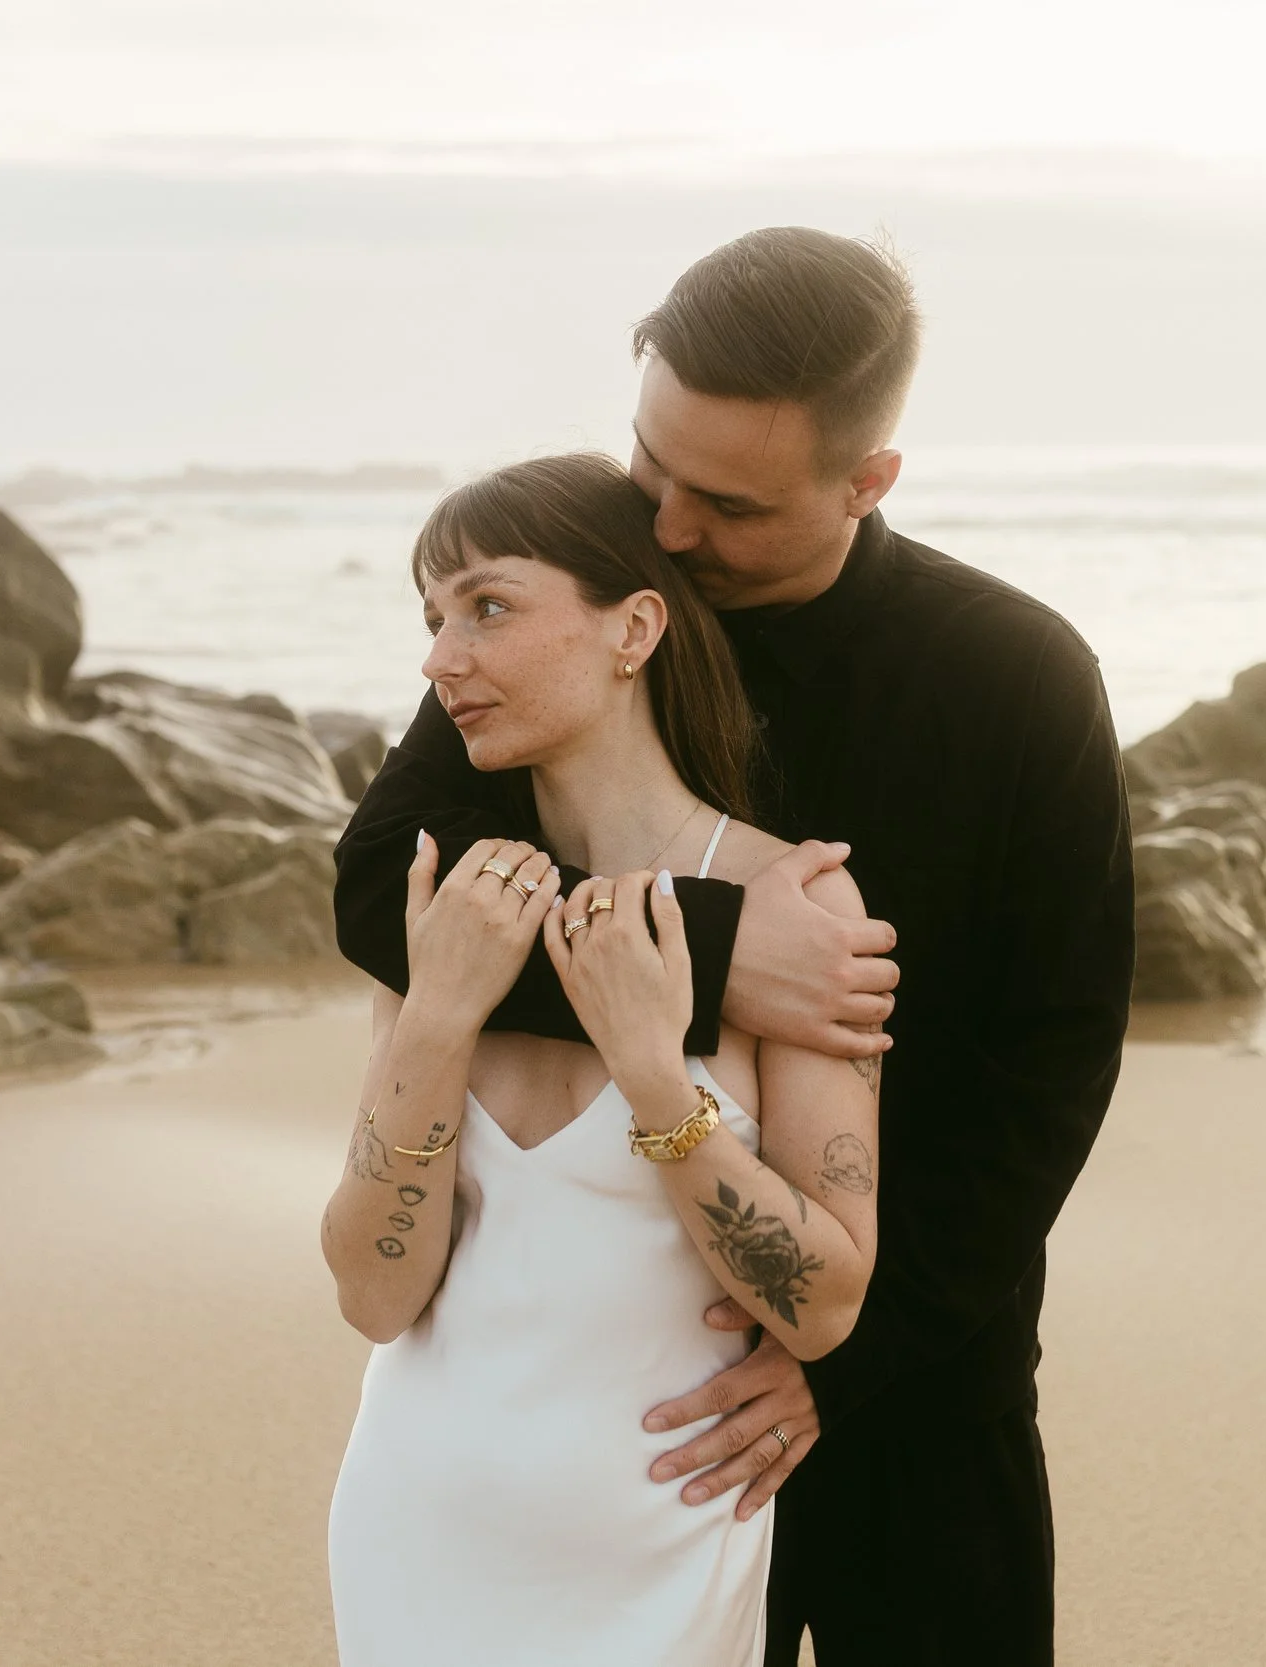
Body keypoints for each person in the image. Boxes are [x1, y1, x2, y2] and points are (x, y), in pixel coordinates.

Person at [332, 228, 1135, 1664]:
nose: (675, 528)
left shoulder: (1011, 677)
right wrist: (719, 954)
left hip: (916, 1359)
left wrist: (847, 1359)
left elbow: (1050, 1066)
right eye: (655, 466)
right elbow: (377, 887)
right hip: (631, 1413)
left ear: (866, 481)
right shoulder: (588, 616)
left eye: (729, 502)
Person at [322, 453, 880, 1664]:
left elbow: (824, 1302)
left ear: (634, 628)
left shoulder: (790, 909)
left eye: (487, 606)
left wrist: (654, 1075)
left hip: (660, 1548)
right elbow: (374, 1291)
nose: (439, 660)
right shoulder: (445, 903)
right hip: (418, 1527)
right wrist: (437, 1016)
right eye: (431, 618)